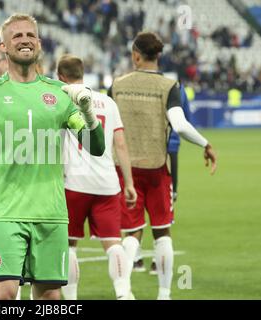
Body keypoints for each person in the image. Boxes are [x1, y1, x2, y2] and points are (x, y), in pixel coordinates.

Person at [0, 13, 105, 300]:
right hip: (4, 212)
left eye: (30, 35)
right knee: (4, 295)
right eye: (17, 36)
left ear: (39, 43)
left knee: (50, 297)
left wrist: (89, 115)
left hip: (50, 214)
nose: (25, 40)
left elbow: (96, 147)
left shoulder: (61, 93)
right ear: (3, 47)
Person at [110, 32, 217, 300]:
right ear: (158, 55)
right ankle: (164, 294)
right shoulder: (170, 86)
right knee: (162, 231)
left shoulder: (117, 85)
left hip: (125, 170)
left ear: (135, 54)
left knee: (132, 233)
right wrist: (205, 144)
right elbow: (180, 125)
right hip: (157, 169)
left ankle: (124, 293)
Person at [57, 54, 137, 300]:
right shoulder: (107, 102)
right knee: (113, 243)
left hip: (74, 183)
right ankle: (124, 294)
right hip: (107, 183)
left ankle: (70, 300)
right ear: (83, 73)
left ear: (61, 77)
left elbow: (56, 144)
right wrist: (129, 183)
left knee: (68, 244)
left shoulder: (61, 101)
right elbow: (120, 144)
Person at [133, 82, 192, 275]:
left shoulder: (131, 85)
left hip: (137, 153)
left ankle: (136, 259)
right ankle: (158, 266)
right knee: (163, 213)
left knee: (134, 205)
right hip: (167, 154)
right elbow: (185, 120)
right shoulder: (176, 88)